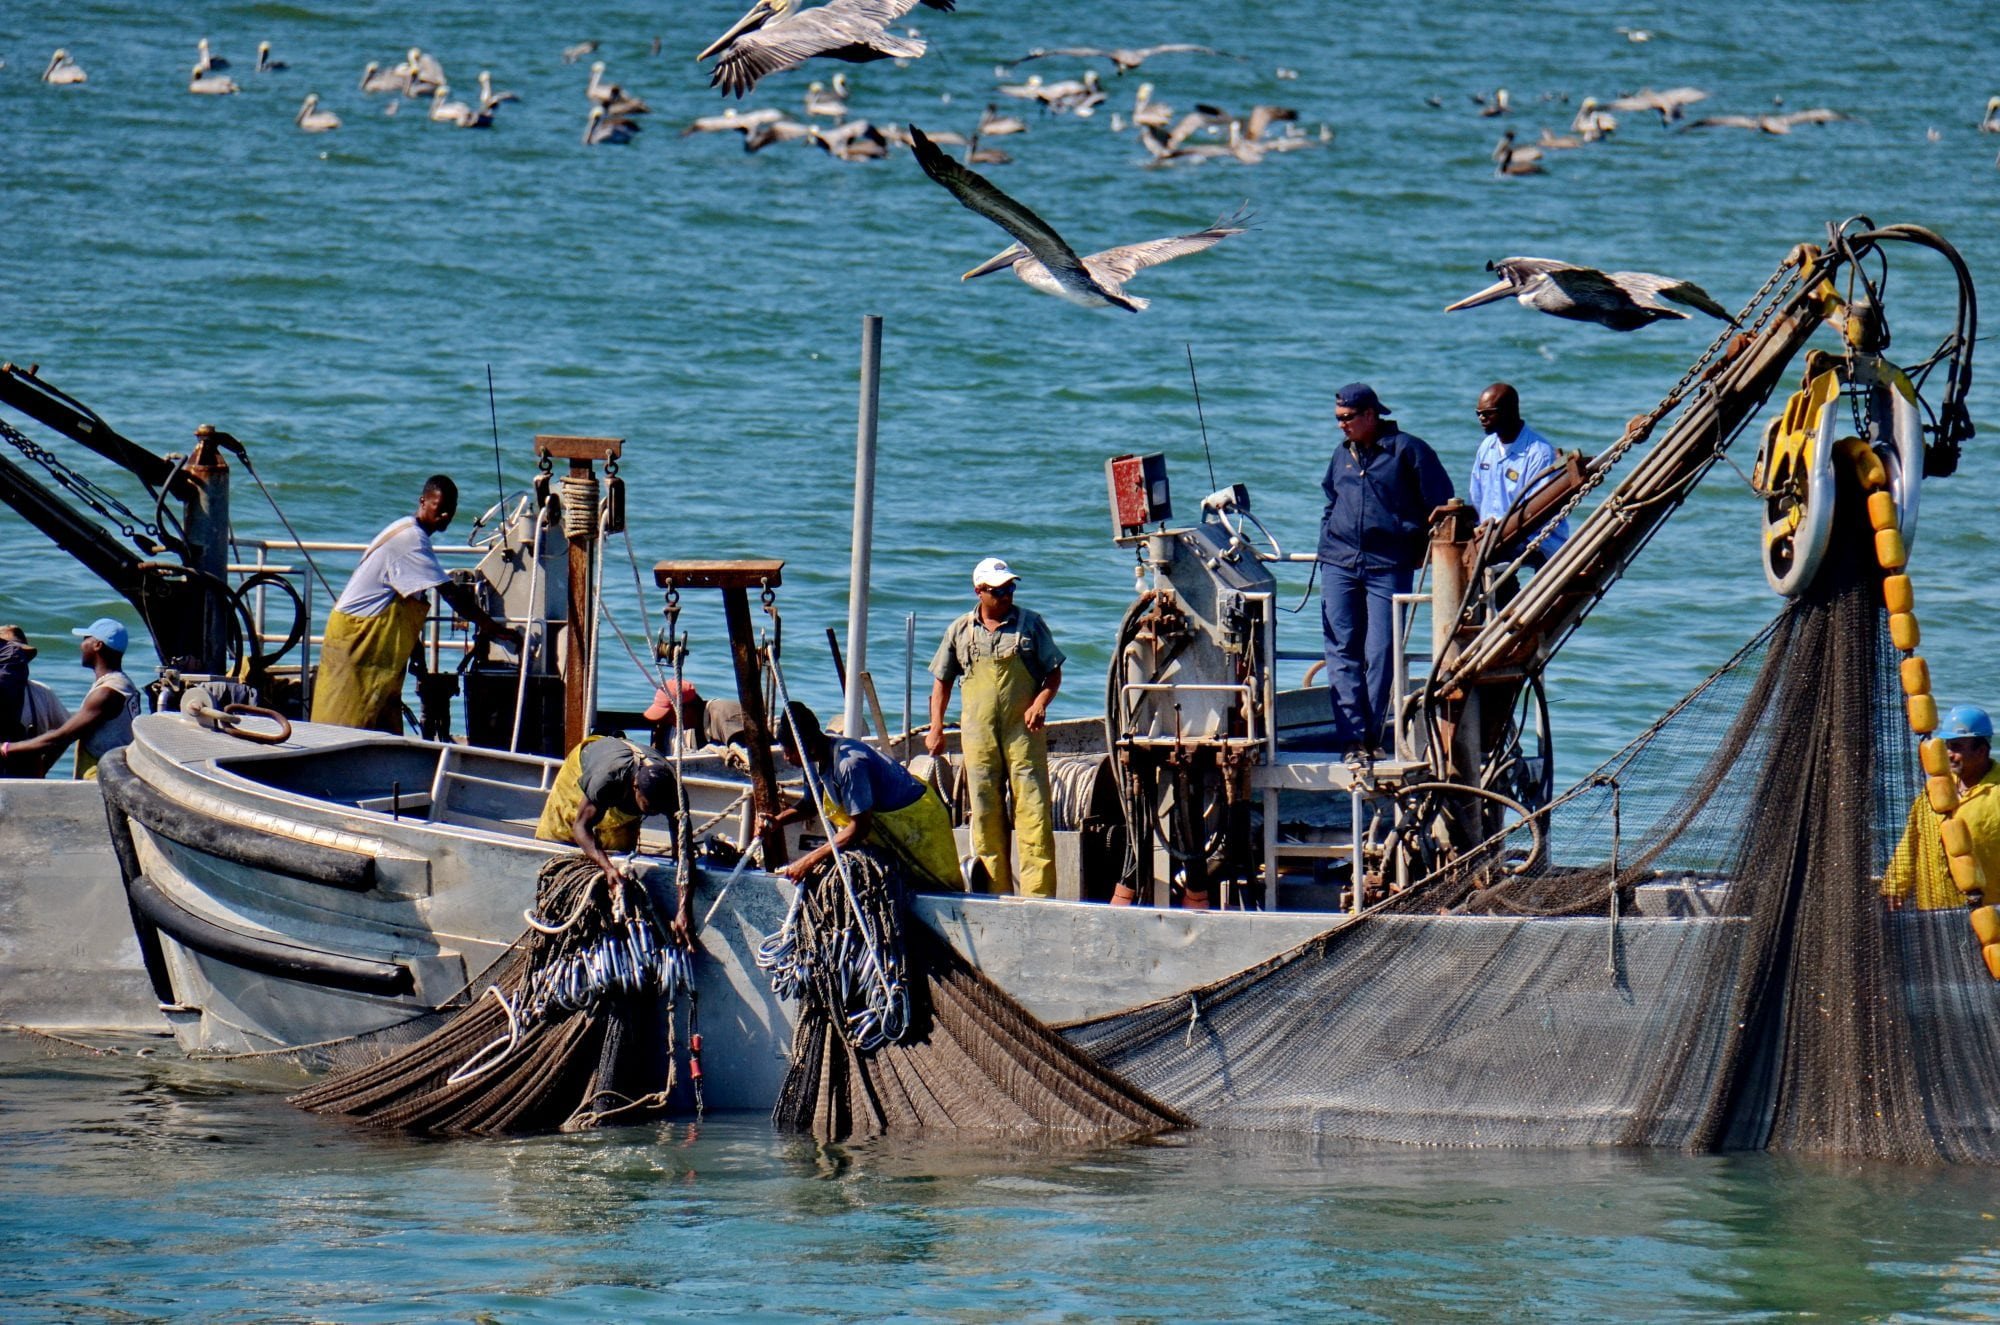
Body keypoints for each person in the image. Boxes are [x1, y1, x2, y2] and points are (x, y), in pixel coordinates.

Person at [311, 475, 518, 733]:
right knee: (343, 724)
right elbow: (449, 592)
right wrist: (490, 626)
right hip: (355, 640)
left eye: (449, 510)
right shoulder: (411, 540)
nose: (444, 515)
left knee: (381, 728)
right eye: (438, 507)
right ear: (422, 501)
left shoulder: (411, 533)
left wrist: (416, 652)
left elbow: (402, 606)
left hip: (376, 646)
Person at [1318, 383, 1455, 760]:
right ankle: (1351, 740)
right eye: (1337, 419)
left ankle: (1371, 737)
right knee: (1341, 649)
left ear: (1370, 415)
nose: (1341, 426)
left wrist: (1420, 549)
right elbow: (1331, 500)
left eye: (1347, 419)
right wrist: (1327, 539)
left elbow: (1442, 505)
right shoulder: (1341, 455)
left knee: (1381, 651)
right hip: (1339, 562)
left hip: (1389, 565)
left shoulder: (1409, 450)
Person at [925, 557, 1064, 897]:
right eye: (999, 591)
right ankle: (993, 895)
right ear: (980, 591)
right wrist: (936, 728)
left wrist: (1039, 704)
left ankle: (1039, 898)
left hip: (1023, 735)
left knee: (1033, 812)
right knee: (985, 814)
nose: (1006, 596)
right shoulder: (960, 630)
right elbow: (941, 683)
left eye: (1010, 589)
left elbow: (1053, 674)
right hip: (979, 736)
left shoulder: (1030, 625)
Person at [763, 701, 962, 890]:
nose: (786, 758)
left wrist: (808, 861)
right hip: (884, 827)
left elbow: (859, 829)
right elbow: (809, 805)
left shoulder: (848, 764)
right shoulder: (813, 761)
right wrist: (777, 821)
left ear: (809, 746)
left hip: (918, 825)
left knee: (935, 882)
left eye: (789, 751)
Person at [534, 734, 693, 939]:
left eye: (658, 809)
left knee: (619, 855)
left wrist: (684, 908)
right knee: (564, 835)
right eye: (648, 807)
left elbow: (684, 854)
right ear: (635, 786)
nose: (653, 813)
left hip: (625, 796)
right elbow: (581, 827)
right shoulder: (607, 778)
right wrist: (607, 867)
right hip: (587, 768)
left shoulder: (675, 795)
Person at [1885, 704, 2000, 910]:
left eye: (1956, 747)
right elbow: (1910, 842)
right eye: (1947, 746)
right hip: (1933, 914)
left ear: (1981, 751)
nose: (1948, 754)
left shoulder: (1996, 793)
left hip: (1986, 914)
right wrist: (1895, 886)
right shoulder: (1935, 791)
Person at [0, 617, 141, 779]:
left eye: (86, 639)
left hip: (103, 776)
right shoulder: (123, 685)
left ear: (97, 645)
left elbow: (62, 736)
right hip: (113, 773)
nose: (81, 645)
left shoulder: (106, 692)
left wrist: (6, 749)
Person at [1468, 382, 1569, 563]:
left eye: (1488, 413)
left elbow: (1535, 512)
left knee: (1484, 557)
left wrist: (1497, 531)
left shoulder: (1539, 453)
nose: (1481, 418)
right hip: (1493, 536)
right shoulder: (1486, 447)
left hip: (1535, 537)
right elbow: (1476, 496)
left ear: (1509, 411)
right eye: (1478, 413)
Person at [0, 625, 69, 778]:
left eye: (20, 656)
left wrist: (45, 765)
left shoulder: (41, 693)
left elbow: (67, 733)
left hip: (29, 783)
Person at [645, 680, 748, 754]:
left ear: (687, 710)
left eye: (669, 716)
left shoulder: (724, 716)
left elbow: (747, 756)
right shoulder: (693, 725)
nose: (668, 722)